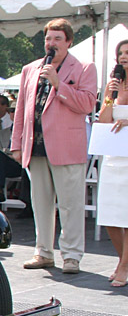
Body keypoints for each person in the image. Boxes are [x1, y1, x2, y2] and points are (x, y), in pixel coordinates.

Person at [12, 18, 96, 274]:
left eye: (58, 39)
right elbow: (21, 109)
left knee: (70, 204)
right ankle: (43, 253)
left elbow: (88, 104)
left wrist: (59, 84)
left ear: (69, 42)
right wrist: (16, 143)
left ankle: (71, 256)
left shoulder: (83, 68)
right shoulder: (31, 69)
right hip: (35, 146)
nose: (52, 43)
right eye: (49, 38)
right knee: (41, 203)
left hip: (67, 147)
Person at [95, 38, 128, 286]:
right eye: (121, 53)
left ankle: (124, 266)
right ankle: (122, 260)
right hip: (113, 156)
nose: (124, 56)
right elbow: (104, 120)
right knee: (110, 216)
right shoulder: (114, 86)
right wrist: (108, 96)